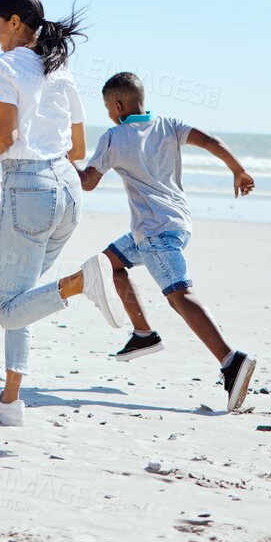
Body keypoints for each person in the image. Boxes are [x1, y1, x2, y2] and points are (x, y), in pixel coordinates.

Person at [0, 0, 123, 427]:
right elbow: (78, 146)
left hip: (29, 191)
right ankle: (9, 402)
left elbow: (4, 139)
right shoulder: (58, 69)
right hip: (67, 189)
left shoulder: (2, 66)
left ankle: (82, 282)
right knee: (24, 297)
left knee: (8, 309)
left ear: (16, 23)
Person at [79, 72, 258, 412]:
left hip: (155, 232)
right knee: (108, 263)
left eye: (106, 107)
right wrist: (238, 170)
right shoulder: (169, 125)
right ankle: (143, 333)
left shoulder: (114, 136)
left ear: (117, 105)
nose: (107, 113)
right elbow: (211, 141)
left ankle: (231, 361)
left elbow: (88, 182)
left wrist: (60, 164)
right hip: (174, 224)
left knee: (180, 295)